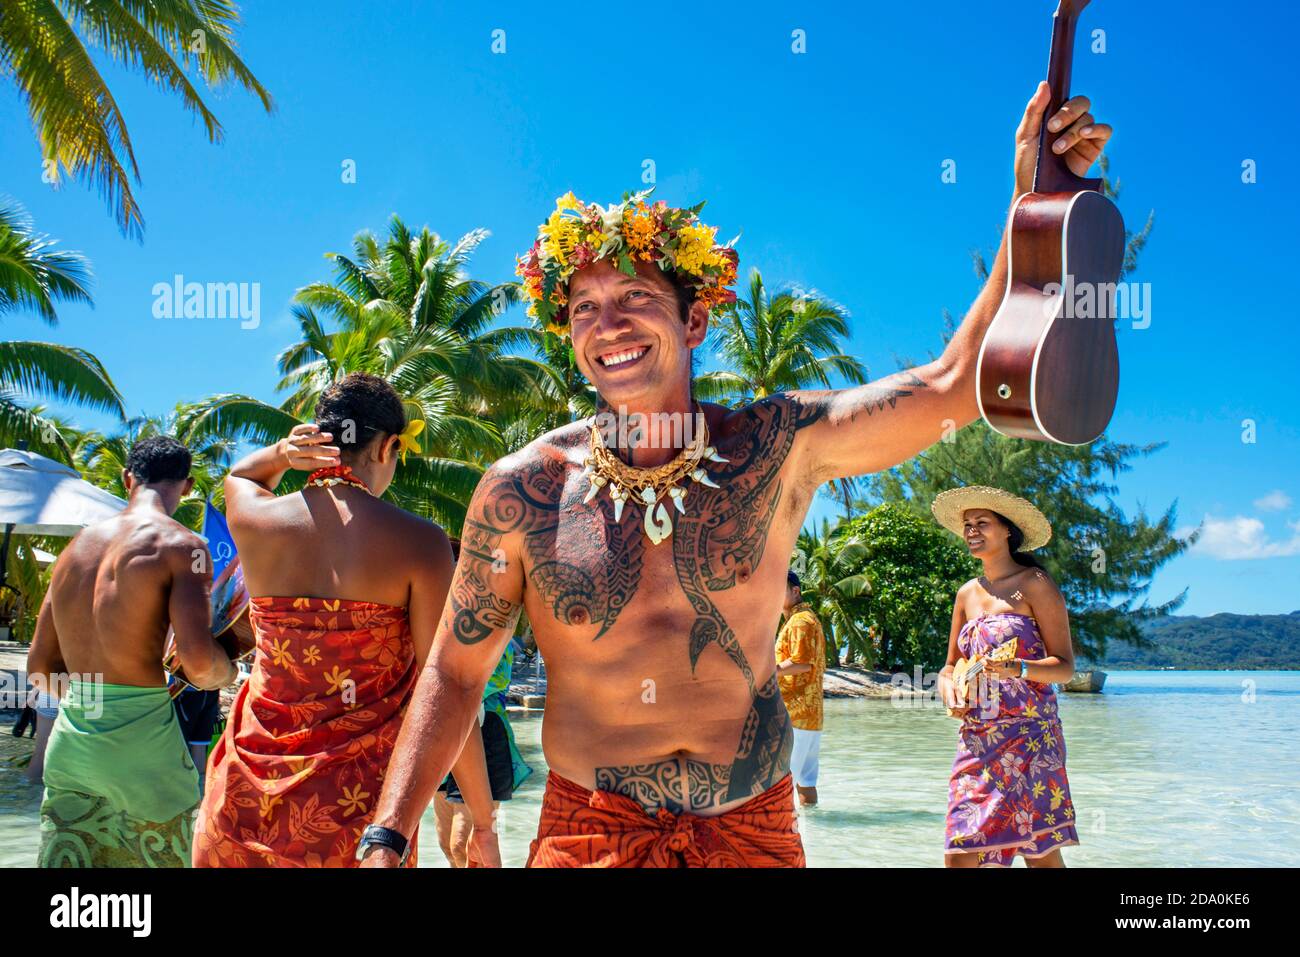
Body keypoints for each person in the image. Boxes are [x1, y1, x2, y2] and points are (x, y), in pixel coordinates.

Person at [362, 84, 1113, 868]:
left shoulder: (775, 448)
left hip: (752, 831)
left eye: (634, 297)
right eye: (583, 307)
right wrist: (388, 831)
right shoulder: (525, 492)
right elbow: (454, 671)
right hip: (591, 837)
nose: (606, 325)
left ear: (694, 321)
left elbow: (956, 384)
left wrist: (1032, 202)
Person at [192, 373, 471, 867]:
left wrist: (283, 452)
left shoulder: (258, 521)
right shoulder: (419, 543)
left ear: (319, 438)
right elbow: (443, 687)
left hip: (237, 803)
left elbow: (239, 477)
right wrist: (483, 815)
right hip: (354, 821)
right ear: (388, 447)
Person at [26, 436, 237, 867]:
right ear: (188, 485)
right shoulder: (185, 546)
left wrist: (94, 708)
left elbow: (39, 668)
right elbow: (199, 665)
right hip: (143, 746)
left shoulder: (73, 552)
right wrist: (228, 673)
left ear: (127, 479)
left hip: (71, 743)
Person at [932, 486, 1079, 868]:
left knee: (1040, 853)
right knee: (960, 849)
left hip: (1030, 736)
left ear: (1007, 531)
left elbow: (1064, 667)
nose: (971, 531)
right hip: (976, 738)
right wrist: (947, 687)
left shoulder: (1034, 584)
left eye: (982, 523)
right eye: (967, 525)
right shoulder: (966, 594)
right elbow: (950, 664)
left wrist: (1021, 669)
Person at [433, 639, 532, 867]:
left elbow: (496, 677)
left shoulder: (490, 616)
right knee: (446, 845)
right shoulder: (438, 621)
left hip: (485, 730)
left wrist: (441, 690)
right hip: (443, 731)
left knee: (463, 845)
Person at [775, 571, 826, 807]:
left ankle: (785, 836)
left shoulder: (800, 621)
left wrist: (768, 671)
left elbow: (802, 662)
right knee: (805, 780)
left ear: (795, 591)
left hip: (794, 714)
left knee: (781, 782)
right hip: (809, 716)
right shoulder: (805, 618)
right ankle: (810, 832)